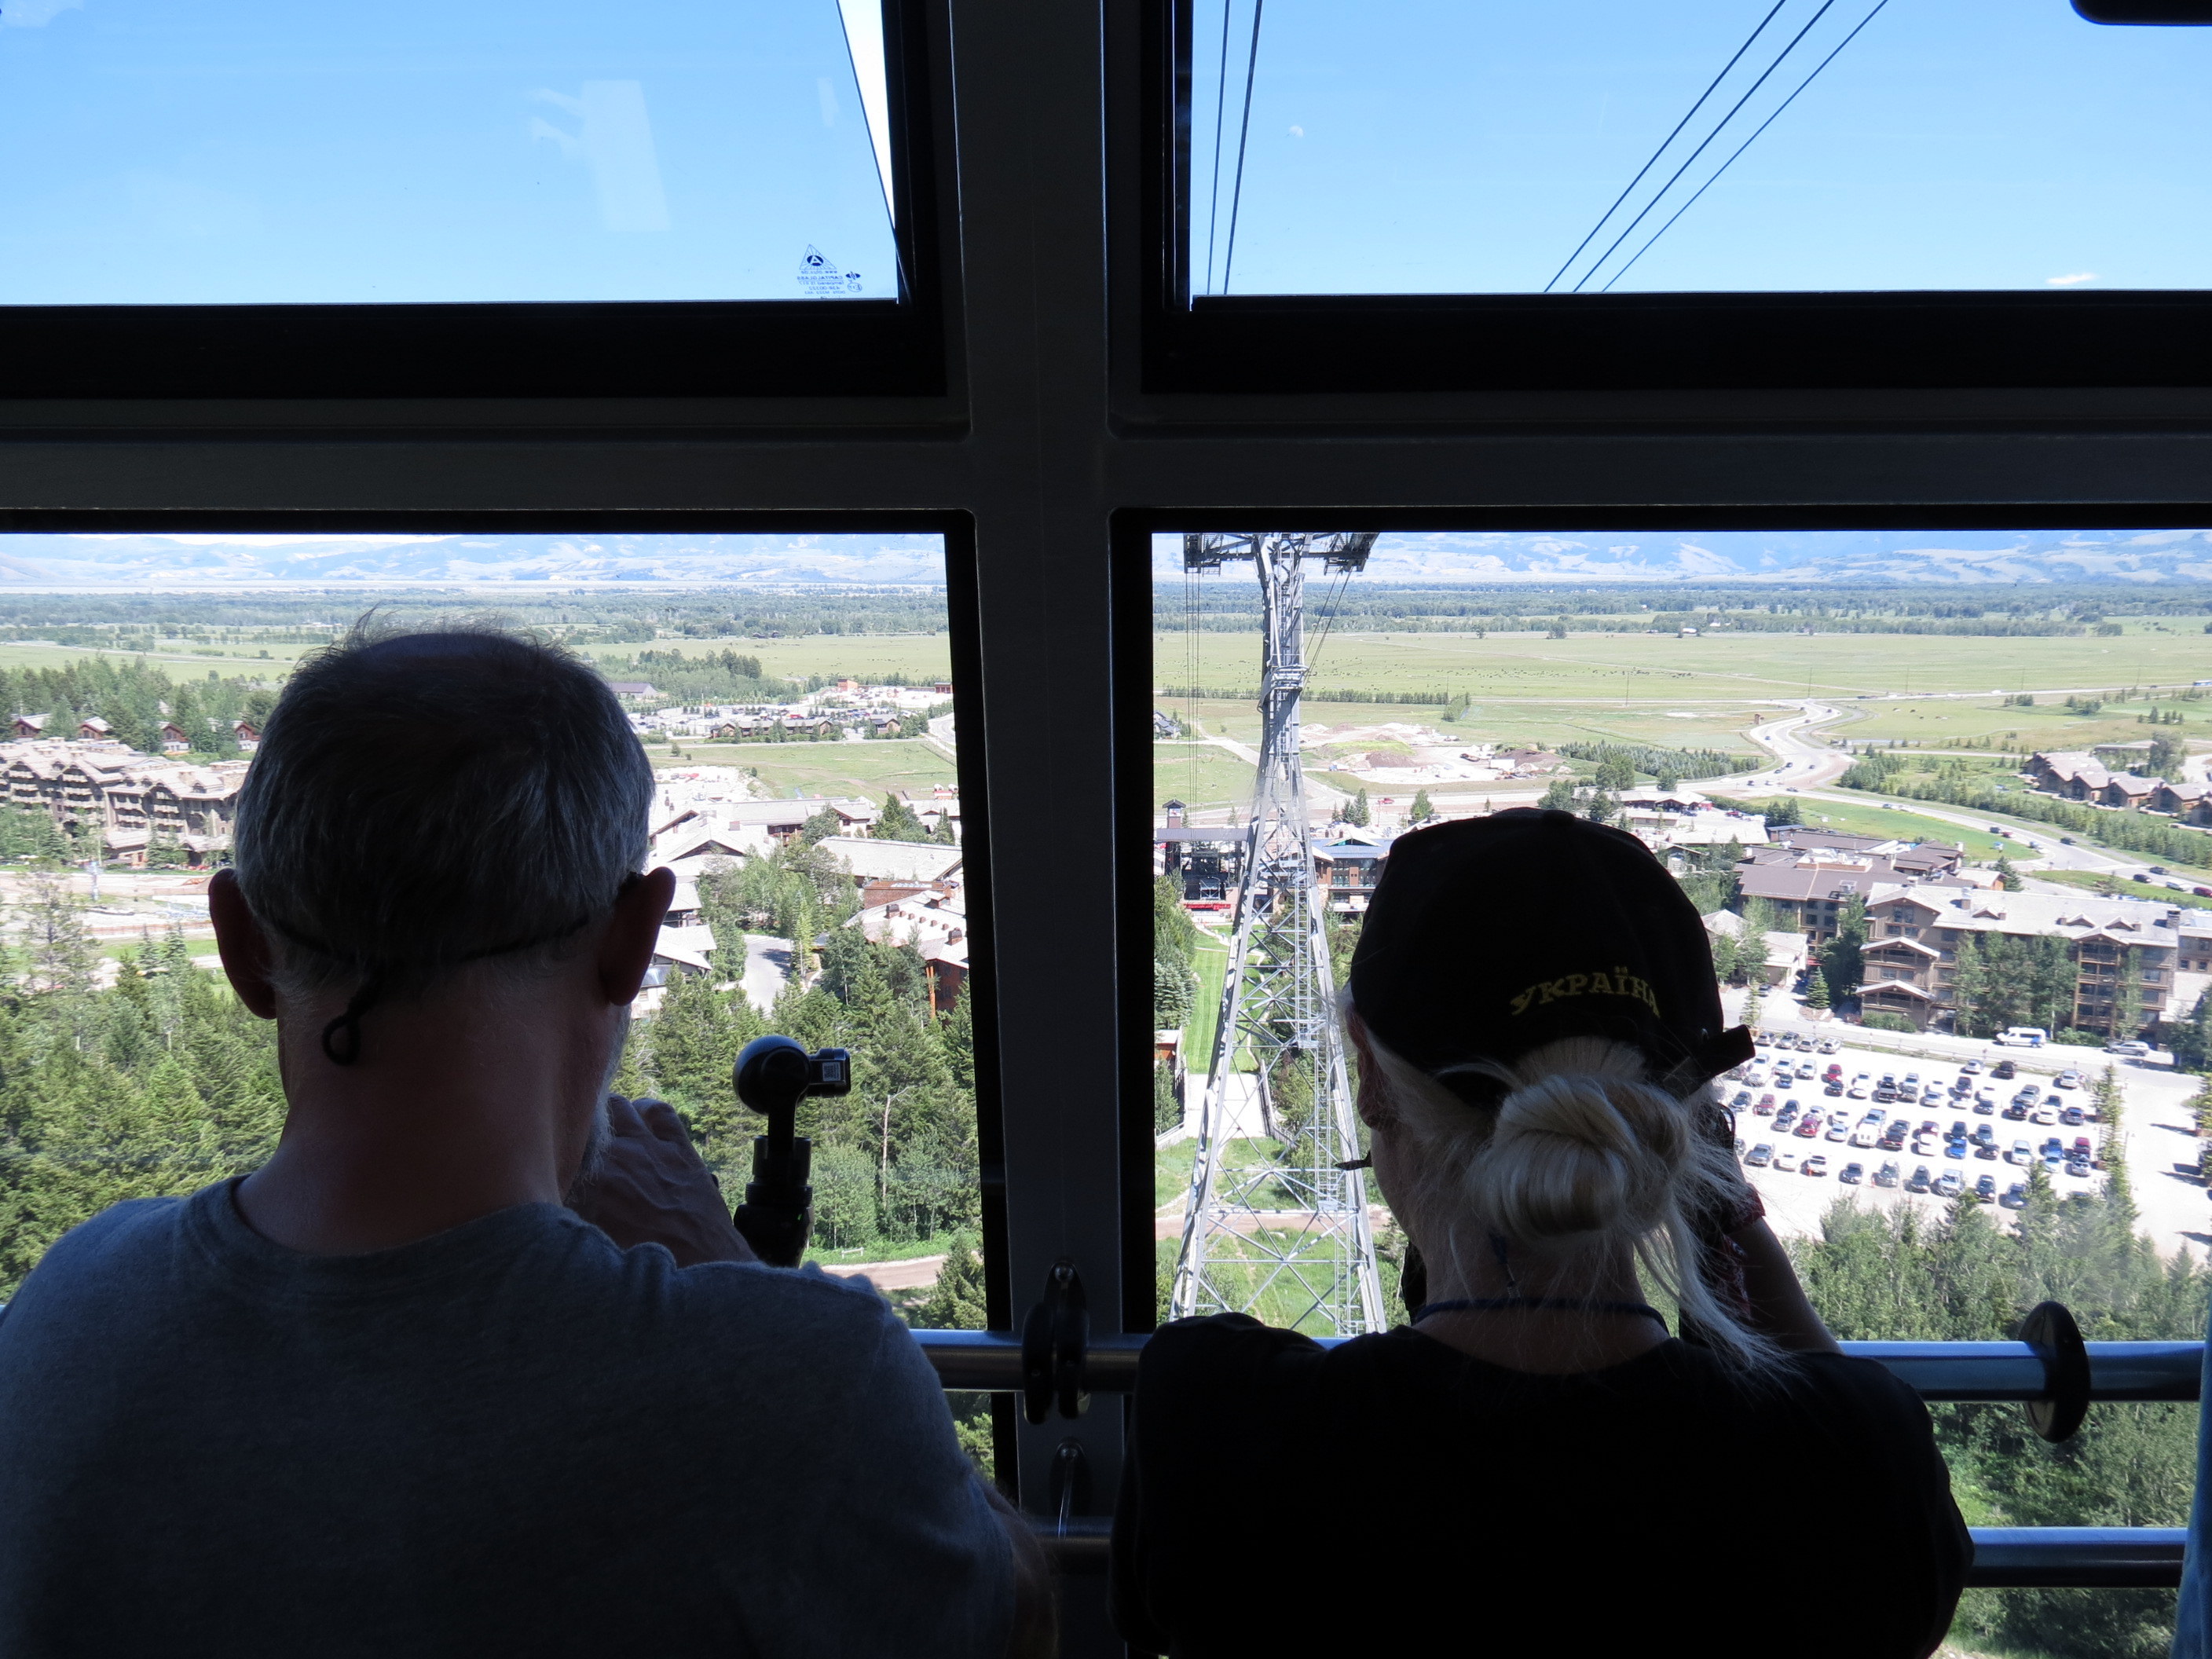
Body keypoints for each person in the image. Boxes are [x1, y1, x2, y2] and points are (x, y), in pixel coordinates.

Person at [0, 625, 1048, 1657]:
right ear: (635, 940)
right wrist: (727, 1272)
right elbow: (1017, 1625)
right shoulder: (796, 1387)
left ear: (242, 947)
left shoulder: (67, 1314)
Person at [1113, 808, 1968, 1658]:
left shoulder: (1220, 1428)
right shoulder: (1854, 1467)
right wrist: (1722, 1208)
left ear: (1368, 1073)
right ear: (1685, 1127)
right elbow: (1826, 1422)